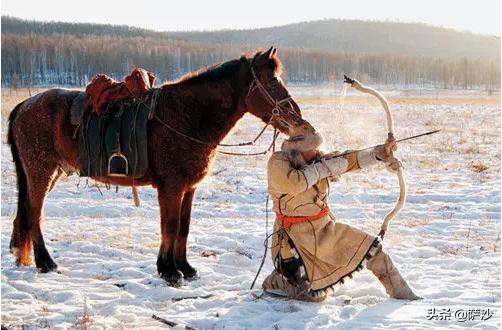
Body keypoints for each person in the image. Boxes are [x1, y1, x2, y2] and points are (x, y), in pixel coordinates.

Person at [262, 121, 421, 302]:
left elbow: (349, 160)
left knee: (372, 248)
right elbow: (295, 183)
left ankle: (404, 296)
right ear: (297, 149)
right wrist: (324, 168)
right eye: (311, 148)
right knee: (313, 298)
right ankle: (278, 281)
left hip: (325, 231)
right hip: (295, 241)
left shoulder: (318, 160)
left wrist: (380, 153)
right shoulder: (278, 162)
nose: (316, 151)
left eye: (316, 146)